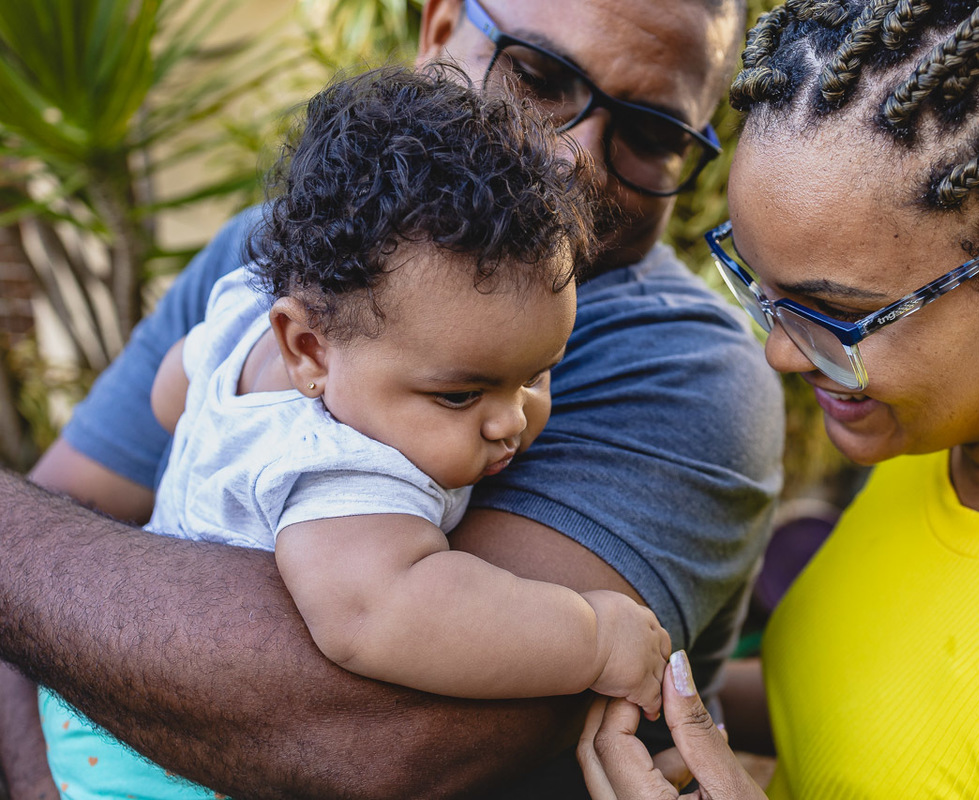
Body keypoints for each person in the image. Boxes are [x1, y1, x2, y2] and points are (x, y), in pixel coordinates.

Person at [0, 0, 783, 798]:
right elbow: (388, 616)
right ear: (440, 31)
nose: (574, 161)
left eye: (653, 133)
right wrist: (593, 635)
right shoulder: (350, 469)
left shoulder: (255, 301)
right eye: (537, 78)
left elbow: (380, 736)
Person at [578, 0, 979, 796]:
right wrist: (644, 692)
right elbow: (875, 704)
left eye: (836, 314)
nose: (779, 351)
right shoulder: (951, 428)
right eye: (758, 288)